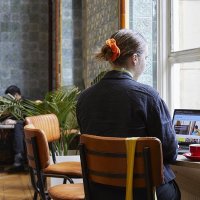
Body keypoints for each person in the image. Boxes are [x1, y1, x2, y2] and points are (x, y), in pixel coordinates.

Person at [76, 29, 181, 200]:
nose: (145, 63)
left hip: (100, 191)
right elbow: (169, 152)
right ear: (135, 58)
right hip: (143, 192)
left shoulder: (84, 98)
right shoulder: (147, 96)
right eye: (146, 58)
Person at [3, 85, 26, 172]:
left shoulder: (26, 103)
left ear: (16, 95)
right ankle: (17, 160)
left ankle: (19, 160)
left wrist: (15, 122)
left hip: (25, 129)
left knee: (18, 126)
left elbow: (28, 119)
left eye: (10, 98)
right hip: (16, 130)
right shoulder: (14, 105)